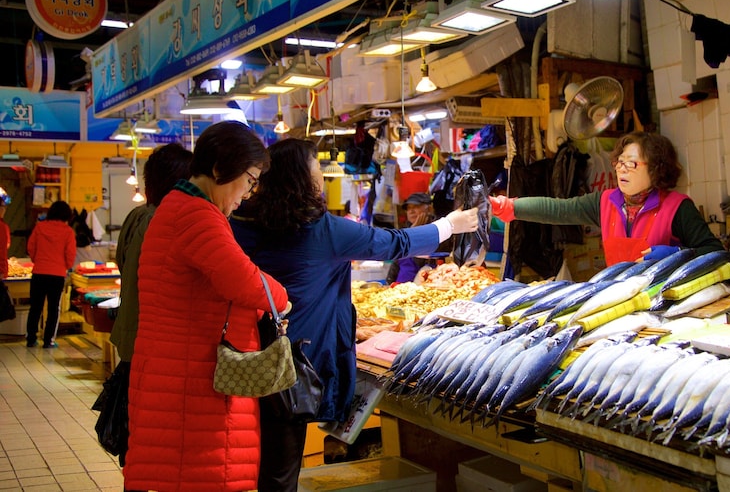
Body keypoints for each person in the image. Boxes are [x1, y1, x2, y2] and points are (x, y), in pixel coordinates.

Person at [230, 138, 478, 492]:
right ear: (301, 177)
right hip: (292, 366)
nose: (321, 175)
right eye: (316, 167)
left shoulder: (241, 224)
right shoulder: (321, 230)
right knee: (280, 473)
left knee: (249, 463)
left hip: (242, 357)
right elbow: (393, 242)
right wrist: (449, 225)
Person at [124, 121, 291, 492]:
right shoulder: (196, 215)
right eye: (249, 180)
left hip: (176, 368)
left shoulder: (181, 206)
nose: (249, 193)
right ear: (219, 169)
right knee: (198, 475)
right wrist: (281, 298)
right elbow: (243, 279)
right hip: (190, 379)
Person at [491, 131, 723, 265]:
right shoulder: (606, 202)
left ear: (656, 169)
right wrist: (510, 206)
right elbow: (560, 209)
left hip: (668, 307)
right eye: (620, 162)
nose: (622, 169)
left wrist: (678, 254)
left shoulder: (677, 207)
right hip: (622, 306)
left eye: (631, 164)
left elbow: (716, 253)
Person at [108, 143, 192, 467]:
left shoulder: (136, 216)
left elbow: (121, 263)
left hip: (131, 335)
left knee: (136, 430)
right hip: (154, 343)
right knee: (152, 435)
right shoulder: (168, 221)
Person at [25, 200, 76, 348]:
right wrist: (66, 266)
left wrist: (37, 260)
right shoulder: (68, 232)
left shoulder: (39, 227)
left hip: (39, 273)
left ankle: (31, 339)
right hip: (57, 275)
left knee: (35, 307)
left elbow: (31, 247)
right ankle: (48, 340)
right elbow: (70, 254)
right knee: (53, 308)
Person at [385, 192, 443, 284]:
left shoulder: (438, 231)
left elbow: (423, 263)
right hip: (398, 288)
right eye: (408, 208)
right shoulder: (404, 232)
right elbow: (396, 264)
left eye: (416, 206)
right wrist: (389, 283)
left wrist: (415, 235)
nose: (411, 211)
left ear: (429, 208)